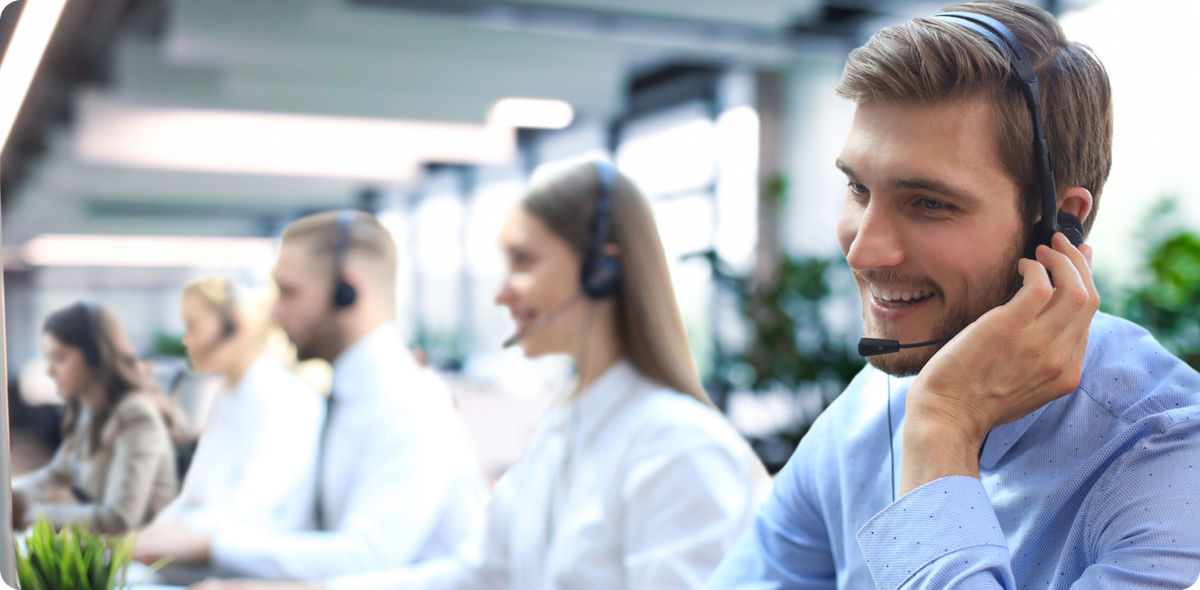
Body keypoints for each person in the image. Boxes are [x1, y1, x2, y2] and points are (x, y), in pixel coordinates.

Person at [706, 2, 1200, 589]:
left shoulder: (1172, 464)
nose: (863, 252)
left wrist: (943, 428)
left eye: (930, 203)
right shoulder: (862, 421)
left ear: (1058, 224)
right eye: (859, 188)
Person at [162, 210, 487, 581]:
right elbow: (304, 532)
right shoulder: (344, 398)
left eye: (289, 292)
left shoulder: (410, 402)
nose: (275, 314)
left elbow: (370, 555)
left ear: (346, 293)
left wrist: (212, 543)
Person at [134, 278, 325, 577]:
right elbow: (194, 497)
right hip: (208, 566)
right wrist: (144, 537)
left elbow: (252, 517)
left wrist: (155, 539)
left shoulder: (287, 399)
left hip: (250, 573)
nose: (187, 340)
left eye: (194, 326)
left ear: (236, 325)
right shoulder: (226, 396)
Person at [12, 302, 180, 535]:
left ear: (94, 357)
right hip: (107, 554)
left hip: (145, 559)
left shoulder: (136, 417)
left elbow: (119, 518)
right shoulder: (89, 414)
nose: (50, 371)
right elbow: (56, 474)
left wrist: (29, 515)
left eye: (60, 359)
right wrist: (13, 493)